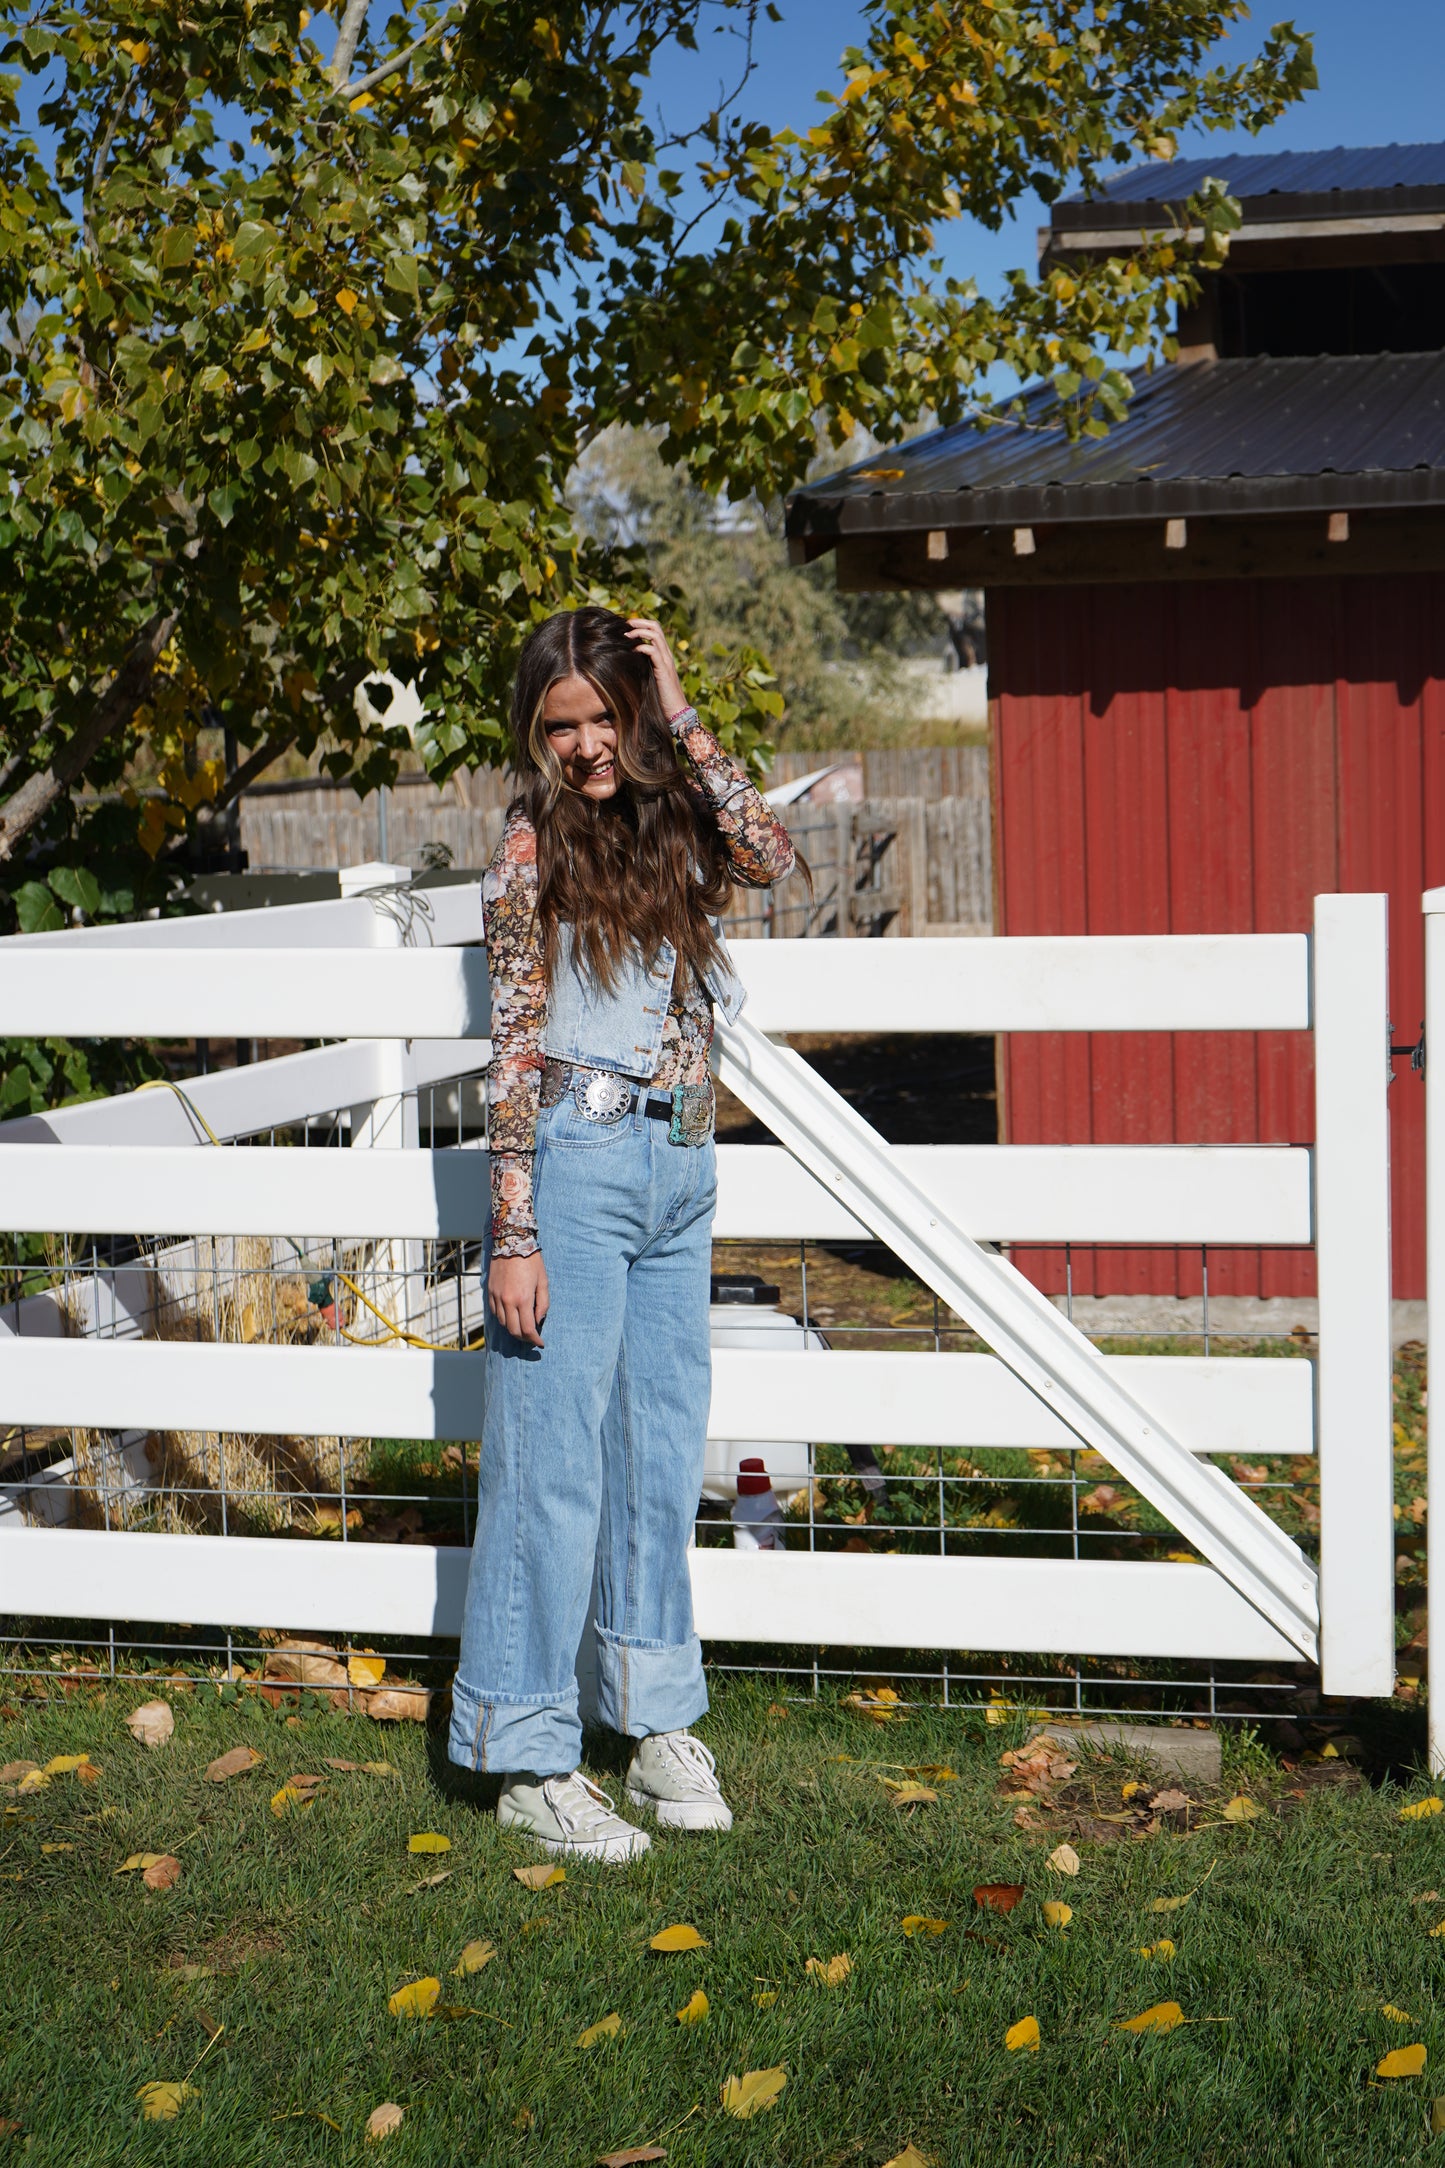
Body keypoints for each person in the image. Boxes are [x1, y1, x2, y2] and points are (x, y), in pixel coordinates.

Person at [448, 606, 798, 1862]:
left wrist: (682, 704)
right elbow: (513, 1050)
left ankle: (650, 1723)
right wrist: (514, 1228)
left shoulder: (672, 816)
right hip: (579, 1159)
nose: (589, 744)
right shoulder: (524, 848)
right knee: (548, 1463)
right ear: (534, 736)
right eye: (565, 725)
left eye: (606, 715)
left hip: (683, 1163)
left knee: (657, 1453)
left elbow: (768, 850)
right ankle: (527, 1751)